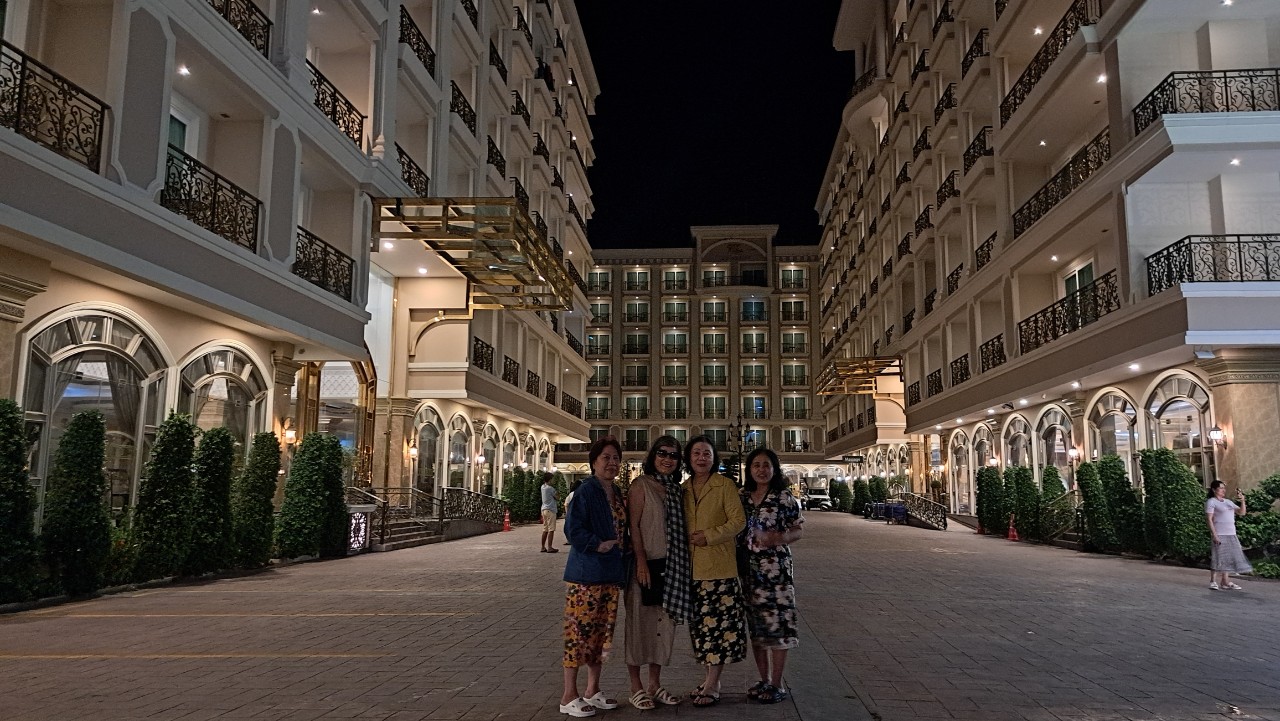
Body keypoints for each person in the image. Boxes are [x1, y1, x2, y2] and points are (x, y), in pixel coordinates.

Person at [623, 436, 694, 710]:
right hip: (646, 565)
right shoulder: (641, 485)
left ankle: (654, 684)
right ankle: (636, 687)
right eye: (662, 453)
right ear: (653, 456)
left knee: (662, 628)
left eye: (673, 455)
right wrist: (641, 561)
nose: (667, 459)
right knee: (639, 625)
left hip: (671, 567)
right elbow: (634, 526)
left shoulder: (676, 489)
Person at [560, 436, 628, 718]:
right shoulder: (586, 491)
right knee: (579, 635)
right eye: (606, 458)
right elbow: (572, 530)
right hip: (586, 576)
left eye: (616, 458)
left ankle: (592, 689)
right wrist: (596, 544)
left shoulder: (617, 493)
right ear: (594, 462)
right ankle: (568, 695)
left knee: (601, 635)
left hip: (610, 574)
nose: (612, 463)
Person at [682, 435, 746, 707]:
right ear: (689, 458)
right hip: (692, 570)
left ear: (713, 458)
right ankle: (709, 679)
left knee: (719, 629)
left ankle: (712, 684)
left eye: (706, 453)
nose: (701, 458)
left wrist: (709, 536)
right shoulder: (683, 489)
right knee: (701, 630)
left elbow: (738, 521)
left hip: (719, 569)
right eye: (696, 453)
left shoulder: (725, 485)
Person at [739, 448, 804, 704]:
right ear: (749, 469)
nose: (761, 470)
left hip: (777, 572)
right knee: (757, 627)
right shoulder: (742, 497)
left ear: (774, 469)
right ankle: (764, 679)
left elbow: (798, 530)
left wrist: (779, 538)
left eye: (766, 465)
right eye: (756, 465)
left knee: (778, 626)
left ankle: (777, 684)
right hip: (749, 571)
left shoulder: (783, 497)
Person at [1206, 480, 1251, 590]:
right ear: (1214, 490)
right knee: (1218, 557)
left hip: (1231, 533)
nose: (1223, 490)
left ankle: (1225, 582)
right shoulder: (1211, 502)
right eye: (1221, 488)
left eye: (1224, 488)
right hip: (1220, 533)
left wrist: (1242, 500)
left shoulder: (1228, 502)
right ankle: (1213, 581)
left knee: (1228, 558)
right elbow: (1209, 519)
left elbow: (1241, 512)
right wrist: (1214, 535)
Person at [541, 472, 560, 553]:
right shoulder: (550, 489)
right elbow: (557, 497)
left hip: (544, 509)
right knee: (551, 529)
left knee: (545, 529)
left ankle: (543, 547)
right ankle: (550, 547)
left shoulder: (542, 487)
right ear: (550, 479)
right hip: (551, 510)